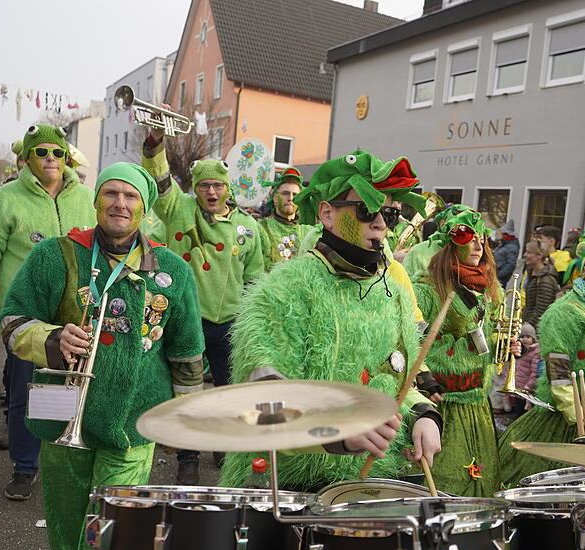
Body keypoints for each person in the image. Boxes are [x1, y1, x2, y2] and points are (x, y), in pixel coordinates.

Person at [0, 162, 205, 550]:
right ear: (96, 201)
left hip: (133, 422)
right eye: (111, 193)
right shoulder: (56, 255)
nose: (120, 204)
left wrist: (183, 422)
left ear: (144, 208)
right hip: (60, 414)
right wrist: (51, 339)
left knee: (117, 526)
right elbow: (11, 320)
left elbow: (188, 352)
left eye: (131, 197)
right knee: (71, 524)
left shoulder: (171, 269)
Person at [219, 149, 442, 492]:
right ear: (327, 213)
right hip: (284, 487)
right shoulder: (281, 290)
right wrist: (337, 431)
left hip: (364, 485)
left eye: (391, 215)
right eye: (368, 210)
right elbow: (266, 400)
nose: (381, 223)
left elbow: (396, 384)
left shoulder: (391, 294)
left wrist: (423, 414)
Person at [0, 124, 96, 500]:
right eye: (41, 152)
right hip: (26, 315)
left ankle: (67, 458)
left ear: (67, 157)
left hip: (78, 315)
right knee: (25, 392)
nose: (50, 159)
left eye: (57, 152)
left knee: (77, 390)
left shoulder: (88, 197)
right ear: (27, 157)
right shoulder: (4, 199)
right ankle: (25, 466)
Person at [141, 126, 265, 484]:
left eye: (218, 186)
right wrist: (154, 146)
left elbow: (255, 277)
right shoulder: (179, 210)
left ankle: (222, 445)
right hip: (187, 319)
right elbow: (161, 182)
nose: (212, 192)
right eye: (205, 186)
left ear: (228, 189)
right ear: (196, 188)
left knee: (228, 392)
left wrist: (253, 322)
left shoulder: (247, 227)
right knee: (189, 390)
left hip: (230, 322)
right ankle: (188, 456)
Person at [498, 241, 585, 485]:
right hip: (572, 420)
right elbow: (558, 369)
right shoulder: (565, 311)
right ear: (584, 268)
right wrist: (577, 420)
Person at [412, 208, 516, 496]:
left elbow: (486, 343)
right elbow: (412, 345)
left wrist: (504, 345)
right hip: (442, 406)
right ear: (450, 245)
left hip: (477, 406)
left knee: (482, 480)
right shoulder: (427, 290)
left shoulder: (486, 288)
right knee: (447, 484)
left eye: (481, 238)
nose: (478, 244)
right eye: (468, 237)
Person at [257, 166, 320, 270]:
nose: (290, 198)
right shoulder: (261, 228)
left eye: (295, 194)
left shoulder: (310, 231)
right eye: (285, 193)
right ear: (275, 198)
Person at [521, 240, 560, 328]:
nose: (525, 255)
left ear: (539, 255)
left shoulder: (545, 280)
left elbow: (541, 311)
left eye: (528, 252)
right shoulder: (533, 275)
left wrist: (527, 327)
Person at [512, 322, 540, 418]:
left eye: (528, 337)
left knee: (524, 414)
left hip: (527, 390)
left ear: (533, 338)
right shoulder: (520, 351)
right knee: (517, 411)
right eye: (522, 336)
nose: (524, 339)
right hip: (519, 389)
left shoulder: (535, 352)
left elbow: (534, 373)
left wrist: (528, 387)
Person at [494, 219, 519, 286]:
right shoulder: (503, 244)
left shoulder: (512, 247)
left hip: (499, 279)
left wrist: (499, 275)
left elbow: (511, 265)